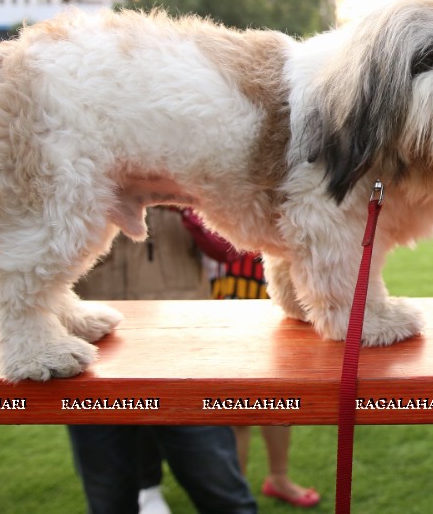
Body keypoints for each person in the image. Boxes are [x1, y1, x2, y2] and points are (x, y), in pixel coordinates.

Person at [67, 207, 258, 514]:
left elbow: (229, 249)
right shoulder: (79, 171)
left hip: (184, 357)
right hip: (98, 362)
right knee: (108, 500)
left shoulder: (183, 167)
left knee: (223, 493)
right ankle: (150, 492)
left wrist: (186, 206)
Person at [179, 209, 321, 509]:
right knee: (237, 411)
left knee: (280, 403)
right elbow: (217, 248)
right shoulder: (203, 199)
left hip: (274, 307)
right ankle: (236, 489)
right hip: (225, 315)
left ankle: (279, 478)